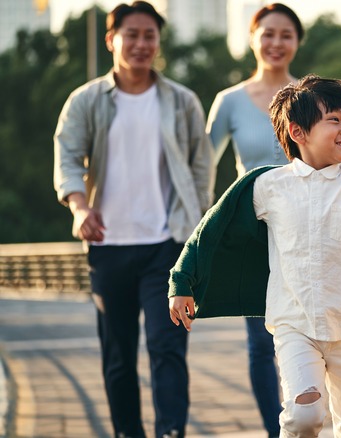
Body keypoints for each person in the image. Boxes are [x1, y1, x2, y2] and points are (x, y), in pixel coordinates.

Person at [168, 74, 341, 437]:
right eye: (334, 120)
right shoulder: (266, 185)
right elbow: (209, 232)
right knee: (303, 416)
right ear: (298, 133)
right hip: (294, 325)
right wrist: (181, 281)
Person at [53, 2, 214, 437]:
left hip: (168, 246)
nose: (142, 44)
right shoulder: (86, 100)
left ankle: (171, 432)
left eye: (150, 36)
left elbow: (202, 167)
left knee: (168, 349)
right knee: (119, 355)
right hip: (108, 247)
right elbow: (67, 156)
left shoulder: (181, 101)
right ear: (112, 40)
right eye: (133, 35)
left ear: (158, 42)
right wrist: (79, 207)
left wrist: (198, 232)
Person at [206, 4, 303, 436]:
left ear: (297, 41)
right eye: (268, 34)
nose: (276, 43)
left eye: (286, 34)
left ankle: (310, 420)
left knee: (311, 336)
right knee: (261, 344)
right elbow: (201, 167)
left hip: (307, 229)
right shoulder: (228, 102)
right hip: (252, 232)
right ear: (252, 39)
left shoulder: (313, 95)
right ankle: (275, 430)